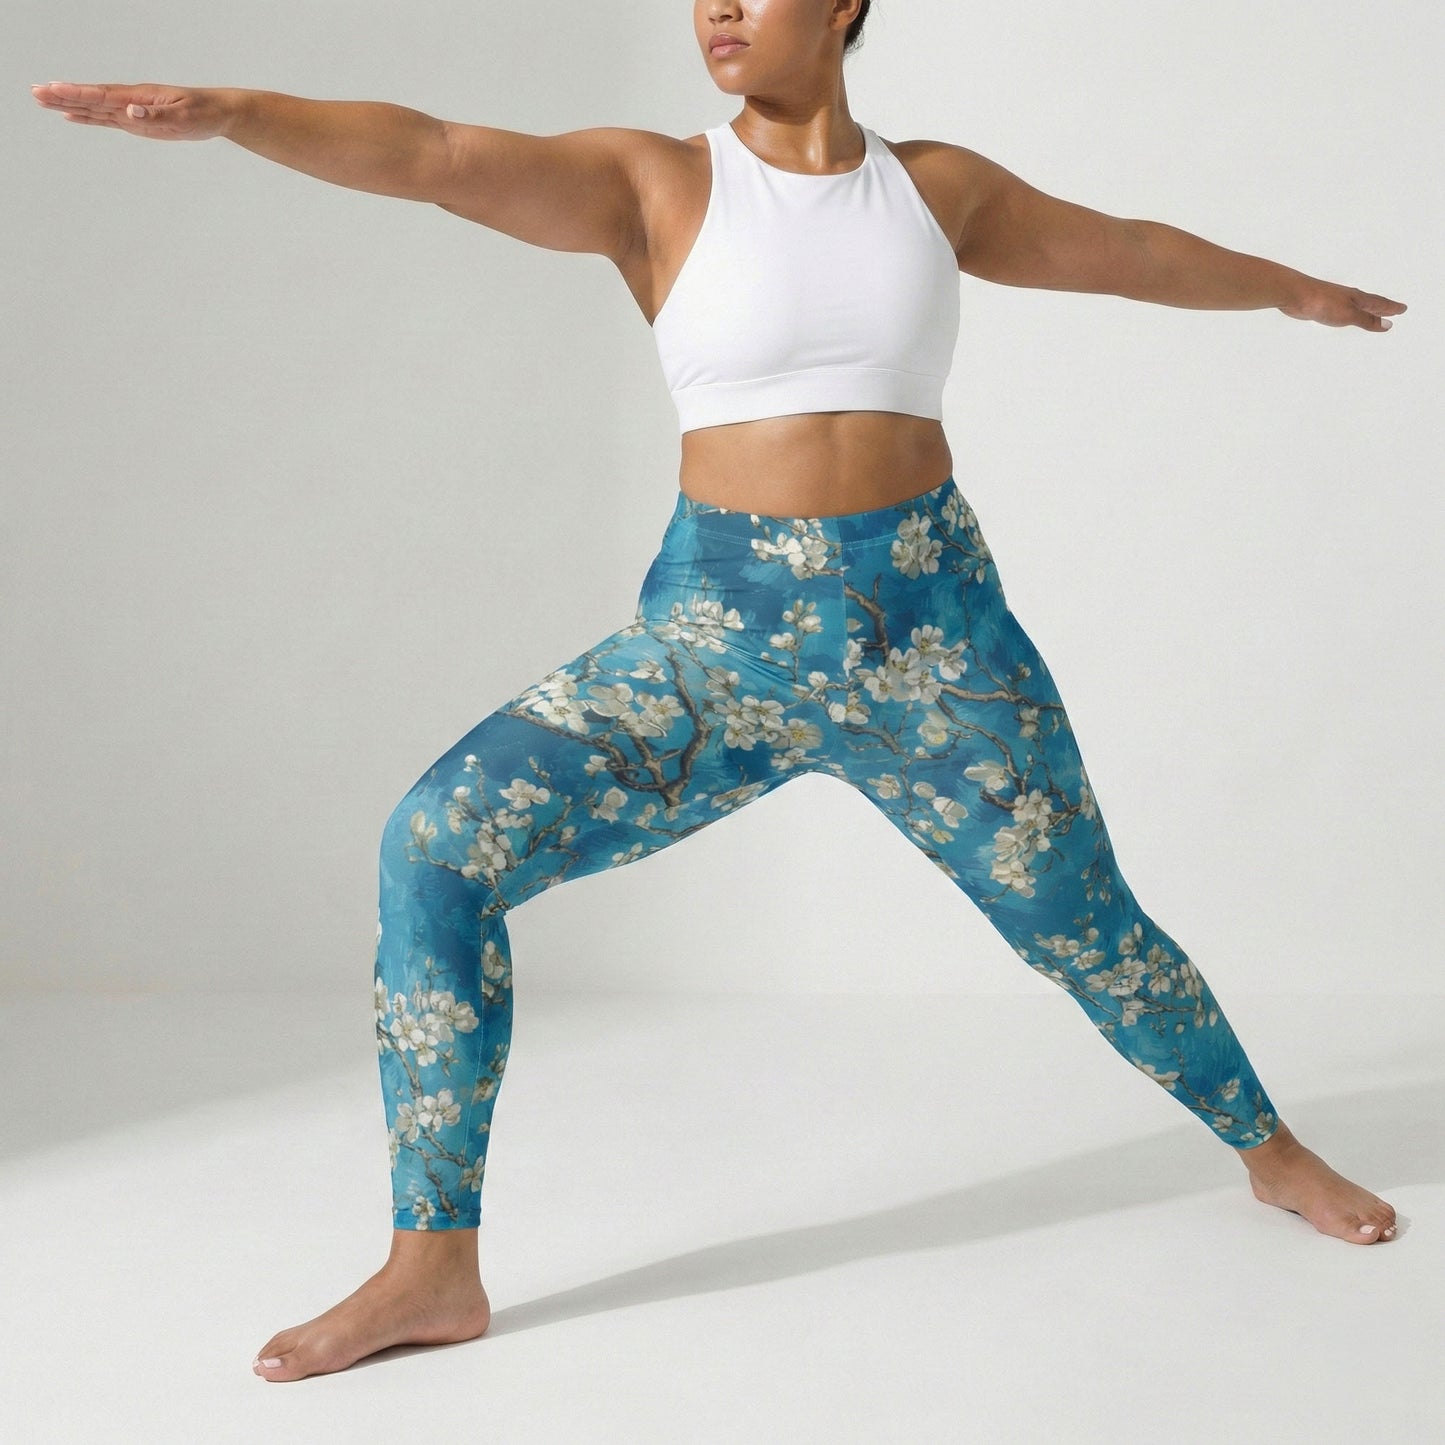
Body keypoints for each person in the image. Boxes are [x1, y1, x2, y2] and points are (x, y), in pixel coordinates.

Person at [33, 0, 1406, 1387]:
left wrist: (1286, 284)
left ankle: (1270, 1151)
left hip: (934, 649)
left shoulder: (937, 191)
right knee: (433, 844)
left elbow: (1127, 253)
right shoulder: (655, 181)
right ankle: (430, 1261)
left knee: (1086, 926)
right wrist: (237, 115)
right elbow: (434, 150)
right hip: (710, 651)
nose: (717, 9)